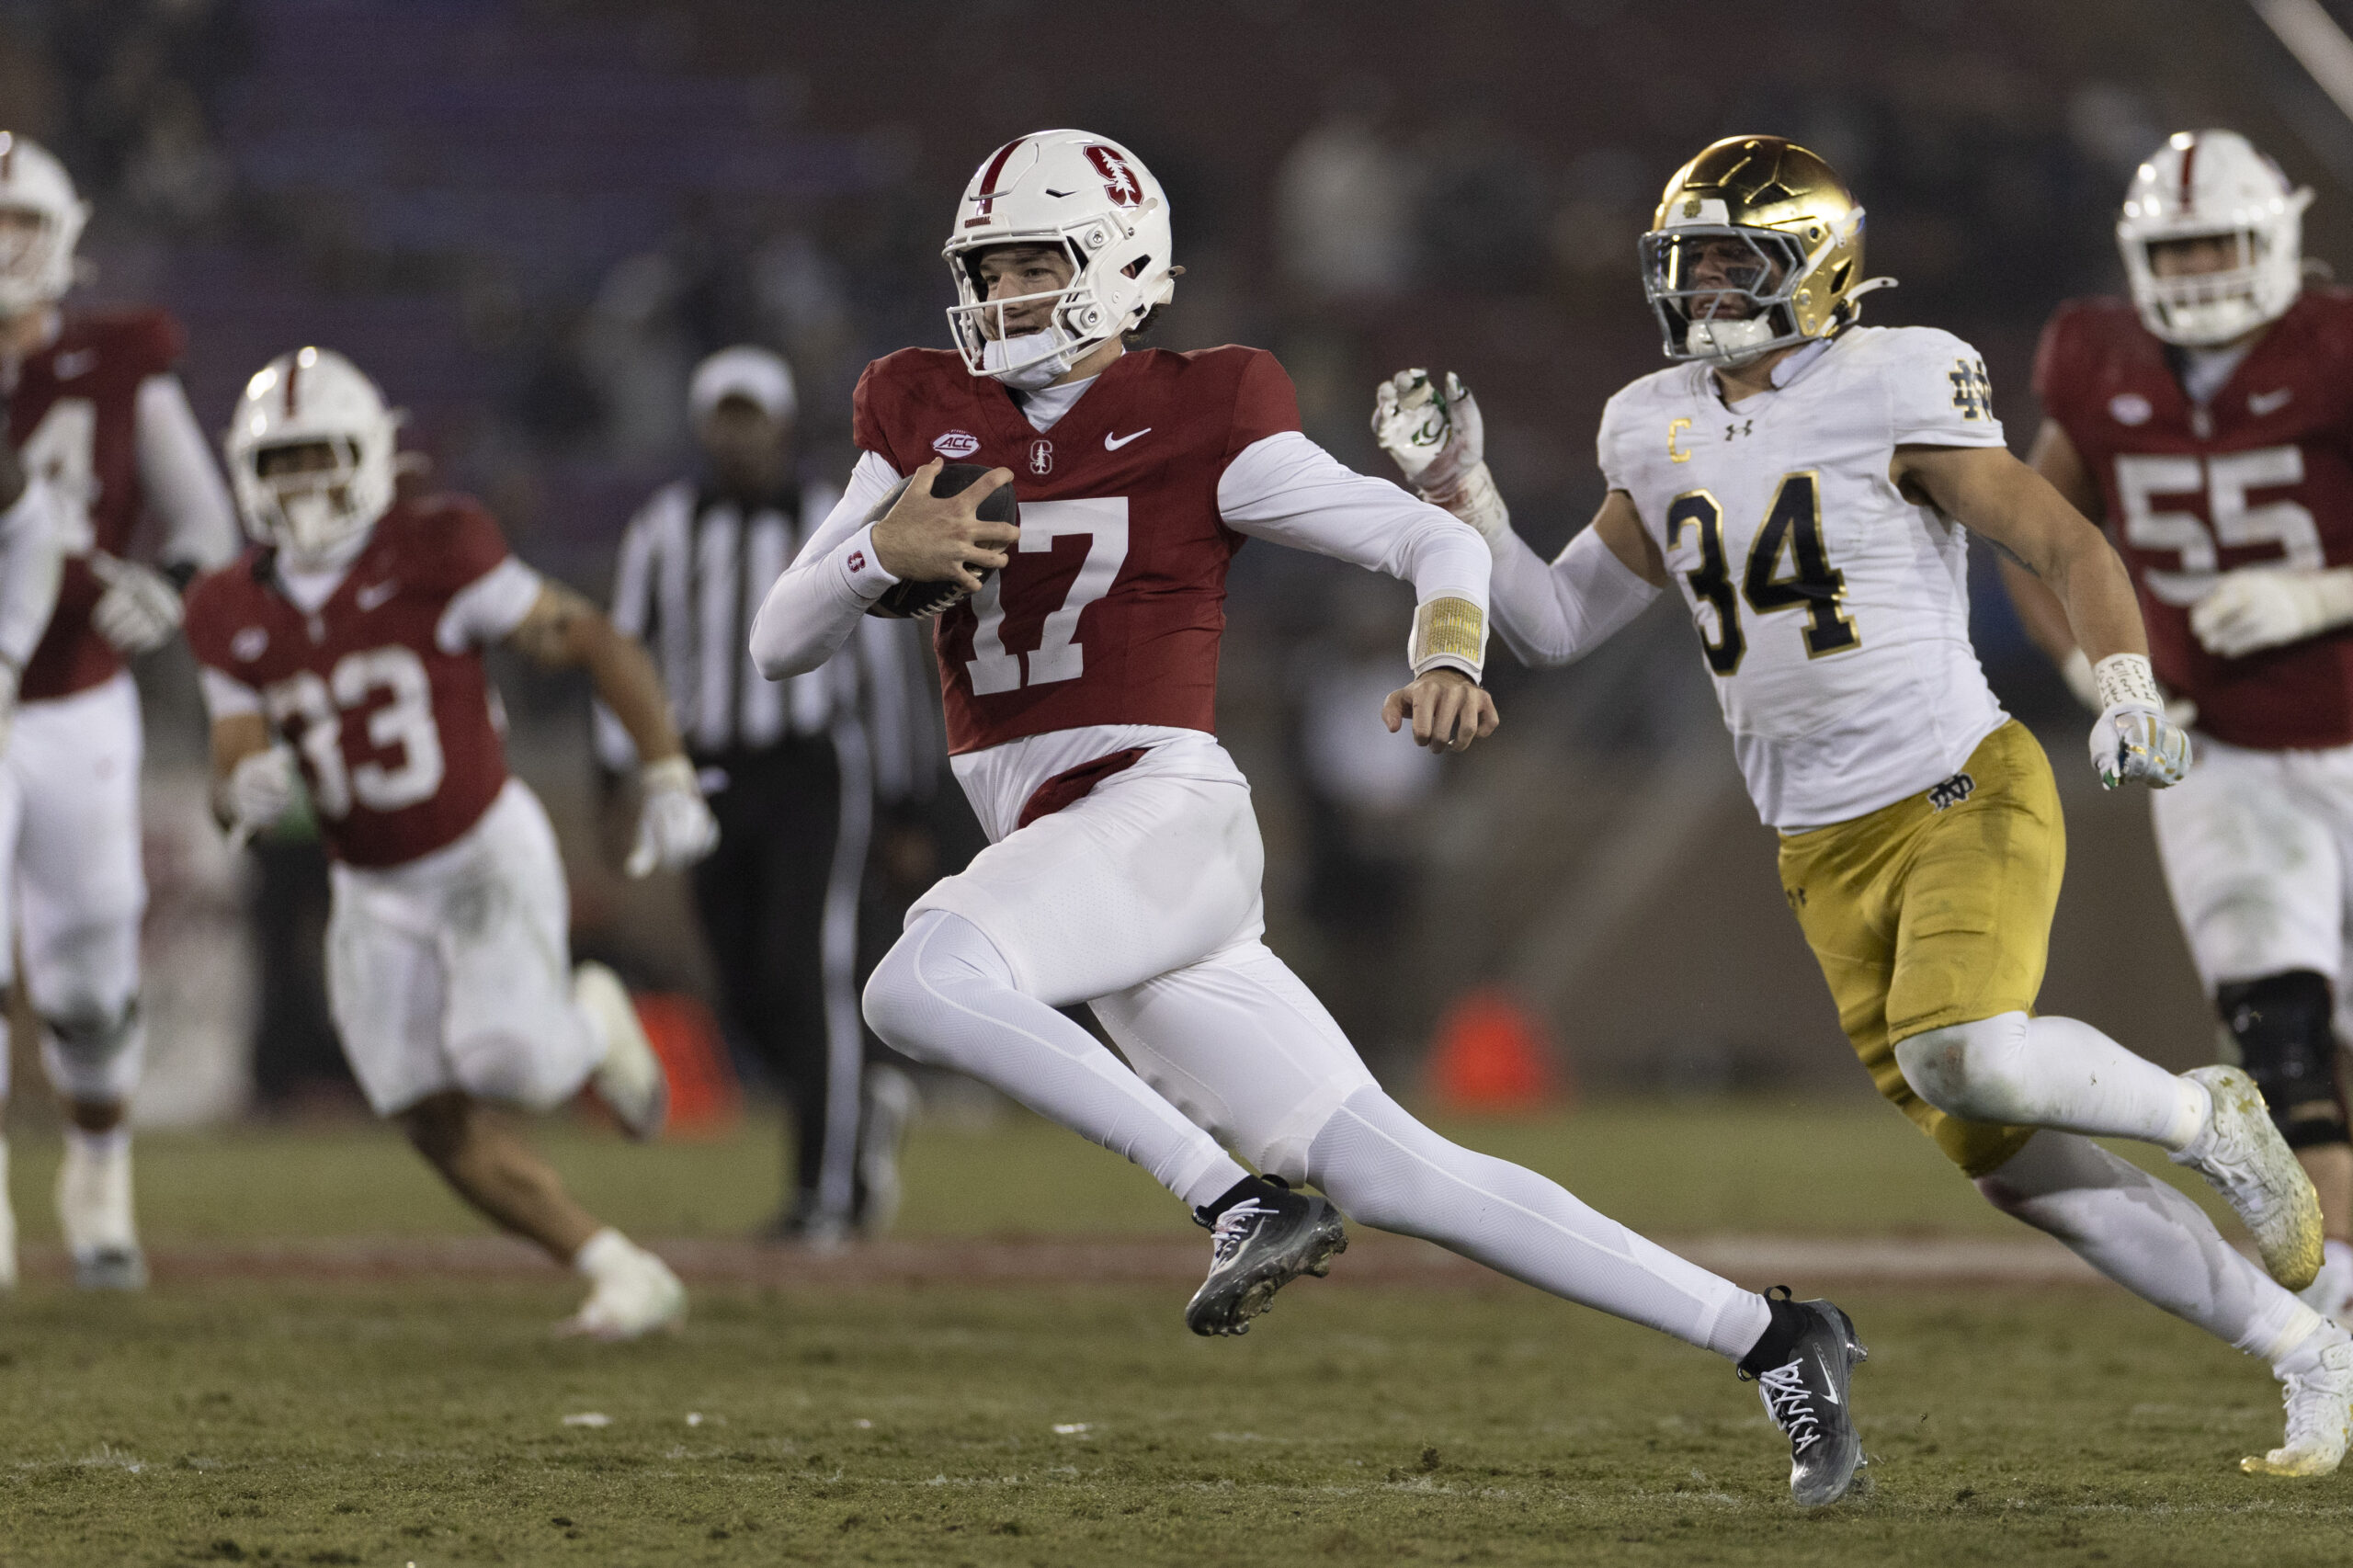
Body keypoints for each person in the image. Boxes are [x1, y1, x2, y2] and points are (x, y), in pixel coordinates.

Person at [752, 128, 1871, 1507]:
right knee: (1389, 1164)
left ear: (1121, 266)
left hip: (1152, 807)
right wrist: (878, 555)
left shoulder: (1205, 403)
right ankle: (1775, 1333)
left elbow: (1432, 537)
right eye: (991, 266)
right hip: (1089, 858)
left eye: (1039, 262)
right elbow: (776, 637)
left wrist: (1449, 651)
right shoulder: (918, 403)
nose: (1007, 292)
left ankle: (1235, 1202)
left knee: (918, 981)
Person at [1380, 133, 2353, 1478]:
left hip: (1960, 786)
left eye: (1738, 261)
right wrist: (1462, 491)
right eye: (1692, 264)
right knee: (2029, 1178)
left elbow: (2062, 537)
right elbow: (1546, 623)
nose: (1708, 289)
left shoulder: (1896, 375)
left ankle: (2208, 1117)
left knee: (1967, 1047)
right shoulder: (1648, 420)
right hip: (1817, 847)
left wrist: (2123, 683)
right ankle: (2311, 1352)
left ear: (1819, 265)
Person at [184, 347, 718, 1339]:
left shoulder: (439, 548)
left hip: (476, 849)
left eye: (321, 456)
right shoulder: (225, 605)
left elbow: (591, 635)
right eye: (281, 462)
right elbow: (233, 765)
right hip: (369, 882)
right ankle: (619, 1267)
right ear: (245, 473)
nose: (303, 484)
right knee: (420, 1106)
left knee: (511, 1062)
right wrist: (239, 789)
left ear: (373, 455)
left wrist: (666, 767)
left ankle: (596, 1020)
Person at [2004, 130, 2353, 1331]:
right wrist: (2097, 671)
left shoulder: (2338, 345)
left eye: (2220, 243)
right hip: (2225, 756)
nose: (2200, 268)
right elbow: (2040, 539)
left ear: (2277, 243)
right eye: (2177, 247)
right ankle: (2345, 1321)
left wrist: (2325, 592)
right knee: (2288, 1052)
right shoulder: (2096, 361)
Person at [599, 345, 927, 1243]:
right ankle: (859, 1107)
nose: (739, 435)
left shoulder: (835, 516)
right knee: (741, 982)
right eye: (724, 416)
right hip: (708, 769)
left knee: (808, 965)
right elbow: (624, 652)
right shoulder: (665, 526)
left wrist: (903, 799)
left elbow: (884, 668)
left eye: (753, 417)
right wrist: (615, 769)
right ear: (706, 425)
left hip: (811, 767)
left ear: (781, 424)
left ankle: (824, 1198)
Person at [0, 131, 241, 1290]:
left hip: (77, 702)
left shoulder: (118, 360)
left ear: (64, 237)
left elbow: (204, 521)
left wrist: (173, 588)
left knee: (91, 969)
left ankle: (98, 1162)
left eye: (18, 225)